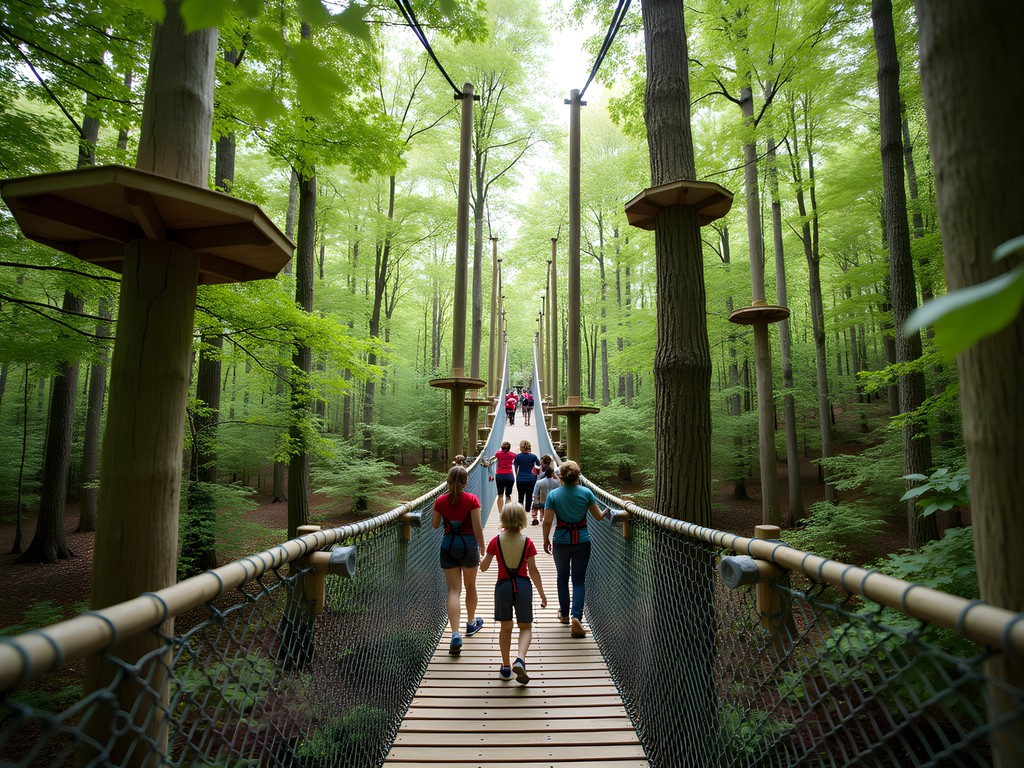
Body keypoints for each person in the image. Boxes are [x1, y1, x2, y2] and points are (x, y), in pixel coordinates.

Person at [480, 502, 547, 684]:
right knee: (525, 627)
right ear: (521, 519)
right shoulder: (527, 542)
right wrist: (542, 594)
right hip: (523, 586)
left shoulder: (495, 541)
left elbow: (484, 568)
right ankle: (521, 659)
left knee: (506, 627)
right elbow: (533, 570)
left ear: (503, 519)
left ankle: (506, 666)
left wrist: (482, 555)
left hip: (503, 587)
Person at [542, 460, 608, 639]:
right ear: (578, 476)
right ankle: (576, 617)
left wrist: (545, 539)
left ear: (560, 477)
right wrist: (608, 511)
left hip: (561, 541)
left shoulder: (553, 495)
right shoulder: (586, 493)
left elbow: (547, 521)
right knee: (578, 580)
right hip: (582, 541)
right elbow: (598, 517)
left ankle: (564, 614)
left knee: (562, 577)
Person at [432, 465, 486, 655]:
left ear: (447, 481)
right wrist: (482, 546)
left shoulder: (440, 500)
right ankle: (471, 623)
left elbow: (435, 524)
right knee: (470, 586)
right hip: (469, 546)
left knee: (453, 590)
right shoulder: (472, 499)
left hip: (448, 546)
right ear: (466, 482)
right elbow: (478, 527)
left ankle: (455, 633)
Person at [513, 439, 541, 521]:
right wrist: (535, 473)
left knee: (520, 497)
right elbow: (539, 465)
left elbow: (515, 467)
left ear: (521, 447)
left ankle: (520, 514)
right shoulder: (533, 456)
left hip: (520, 479)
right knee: (529, 497)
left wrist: (517, 475)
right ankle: (527, 512)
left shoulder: (517, 457)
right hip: (531, 479)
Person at [488, 441, 516, 514]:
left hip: (500, 476)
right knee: (508, 495)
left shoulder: (498, 454)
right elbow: (515, 455)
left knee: (500, 495)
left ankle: (501, 513)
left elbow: (495, 456)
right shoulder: (512, 455)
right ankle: (507, 513)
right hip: (509, 476)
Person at [531, 454, 558, 526]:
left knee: (536, 505)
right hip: (550, 497)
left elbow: (535, 492)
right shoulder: (555, 479)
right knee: (544, 507)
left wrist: (535, 499)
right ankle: (543, 518)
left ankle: (535, 518)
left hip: (541, 494)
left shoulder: (540, 478)